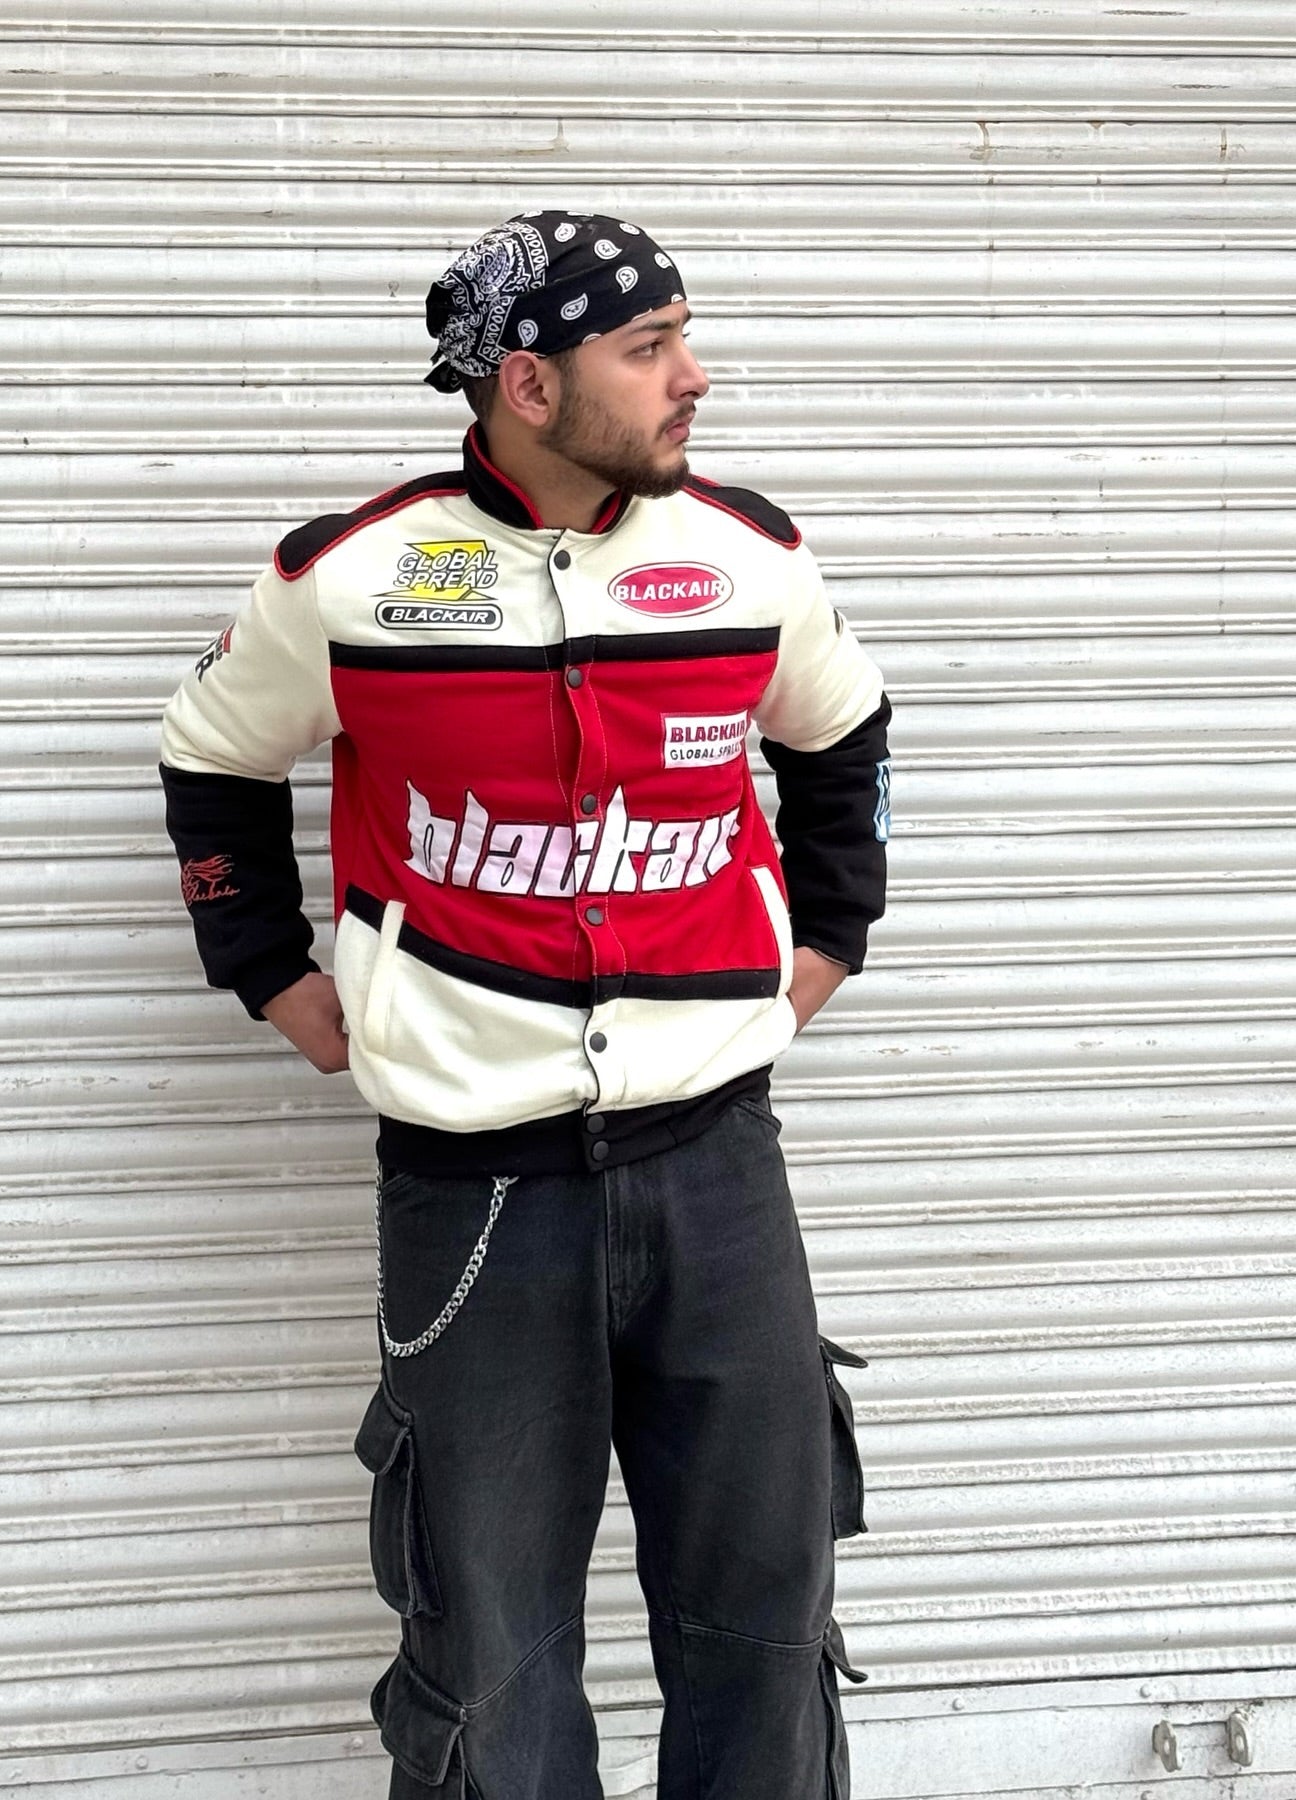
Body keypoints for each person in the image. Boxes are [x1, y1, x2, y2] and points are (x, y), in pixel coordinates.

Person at [159, 211, 891, 1800]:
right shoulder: (350, 580)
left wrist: (830, 936)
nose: (695, 377)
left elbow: (846, 746)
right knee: (488, 1658)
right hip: (475, 1195)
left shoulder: (753, 558)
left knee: (765, 1626)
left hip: (718, 1171)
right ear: (530, 384)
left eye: (685, 338)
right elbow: (211, 758)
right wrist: (270, 973)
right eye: (650, 347)